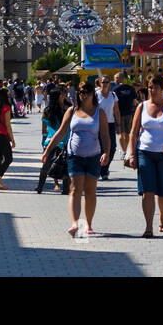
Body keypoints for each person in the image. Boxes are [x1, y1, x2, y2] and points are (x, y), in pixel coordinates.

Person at [43, 82, 111, 236]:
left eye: (87, 91)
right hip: (74, 155)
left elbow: (105, 135)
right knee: (75, 189)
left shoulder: (99, 113)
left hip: (93, 156)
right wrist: (48, 150)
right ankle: (75, 223)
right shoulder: (72, 110)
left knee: (90, 191)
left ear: (93, 94)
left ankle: (88, 224)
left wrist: (106, 152)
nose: (83, 94)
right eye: (81, 91)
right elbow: (61, 132)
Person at [125, 73, 163, 237]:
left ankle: (162, 218)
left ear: (162, 89)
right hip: (145, 153)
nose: (152, 90)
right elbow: (133, 133)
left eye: (155, 87)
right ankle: (148, 226)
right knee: (147, 191)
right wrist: (132, 155)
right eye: (149, 87)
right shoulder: (141, 107)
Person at [95, 76, 118, 180]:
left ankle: (105, 168)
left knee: (112, 147)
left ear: (110, 83)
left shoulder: (113, 95)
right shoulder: (96, 95)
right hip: (98, 124)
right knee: (99, 147)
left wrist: (119, 125)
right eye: (103, 82)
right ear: (100, 83)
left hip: (110, 123)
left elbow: (116, 110)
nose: (105, 84)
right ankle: (101, 170)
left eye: (107, 82)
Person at [112, 71, 138, 158]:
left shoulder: (115, 89)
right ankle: (125, 150)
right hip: (129, 113)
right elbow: (134, 102)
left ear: (119, 78)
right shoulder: (131, 88)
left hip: (119, 113)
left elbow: (114, 103)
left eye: (115, 78)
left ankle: (123, 151)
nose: (114, 80)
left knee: (120, 133)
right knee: (127, 133)